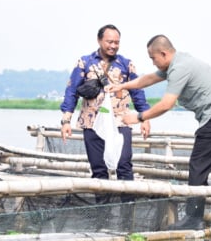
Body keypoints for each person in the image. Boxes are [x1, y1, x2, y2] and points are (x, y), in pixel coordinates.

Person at [108, 34, 211, 230]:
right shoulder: (178, 62)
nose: (153, 62)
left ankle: (193, 218)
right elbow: (148, 79)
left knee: (198, 164)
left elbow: (167, 104)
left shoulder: (179, 68)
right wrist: (122, 86)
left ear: (163, 53)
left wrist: (139, 117)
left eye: (153, 58)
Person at [60, 24, 151, 203]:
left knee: (124, 164)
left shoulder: (126, 64)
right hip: (91, 121)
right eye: (109, 41)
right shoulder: (85, 63)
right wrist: (66, 121)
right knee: (98, 168)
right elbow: (72, 92)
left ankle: (128, 214)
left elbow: (138, 92)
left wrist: (145, 118)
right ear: (99, 40)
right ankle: (103, 215)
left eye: (117, 42)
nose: (113, 46)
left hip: (120, 121)